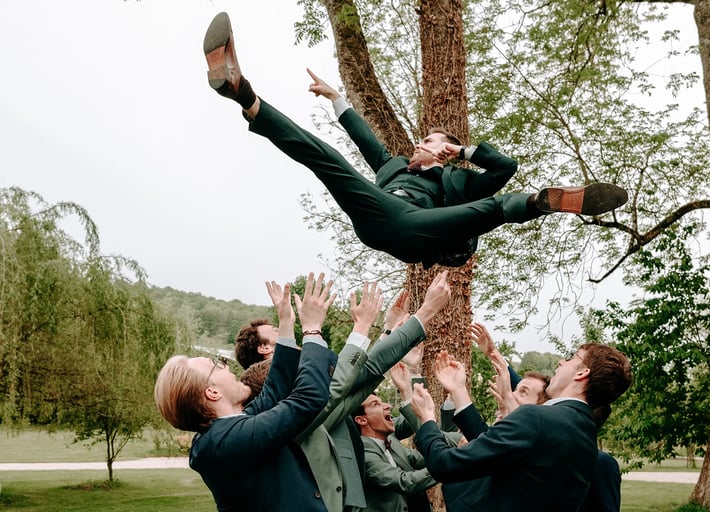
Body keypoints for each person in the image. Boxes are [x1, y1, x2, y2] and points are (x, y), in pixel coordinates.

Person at [202, 12, 629, 268]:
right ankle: (244, 94)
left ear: (444, 152)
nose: (420, 143)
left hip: (420, 229)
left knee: (498, 205)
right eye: (422, 138)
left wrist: (462, 152)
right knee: (325, 157)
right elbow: (361, 135)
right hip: (375, 213)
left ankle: (543, 202)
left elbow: (505, 168)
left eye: (429, 140)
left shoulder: (459, 183)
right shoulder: (391, 167)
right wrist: (335, 97)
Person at [235, 274, 452, 512]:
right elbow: (350, 377)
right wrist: (332, 328)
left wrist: (389, 330)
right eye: (278, 330)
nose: (287, 333)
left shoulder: (280, 402)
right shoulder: (288, 405)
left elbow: (358, 374)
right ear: (265, 348)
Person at [154, 272, 339, 511]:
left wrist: (285, 323)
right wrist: (312, 330)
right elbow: (306, 400)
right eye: (216, 365)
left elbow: (274, 391)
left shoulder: (226, 431)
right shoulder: (225, 442)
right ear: (212, 393)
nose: (225, 365)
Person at [410, 343, 633, 512]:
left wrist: (427, 418)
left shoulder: (537, 417)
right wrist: (458, 390)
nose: (560, 362)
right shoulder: (585, 434)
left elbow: (445, 465)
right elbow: (505, 455)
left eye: (571, 358)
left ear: (582, 373)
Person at [353, 392, 438, 512]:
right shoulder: (363, 452)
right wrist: (446, 463)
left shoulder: (391, 442)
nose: (388, 406)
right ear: (361, 420)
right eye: (376, 404)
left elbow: (421, 459)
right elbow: (405, 482)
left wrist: (459, 451)